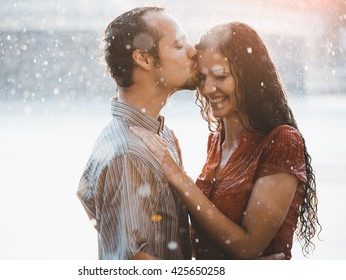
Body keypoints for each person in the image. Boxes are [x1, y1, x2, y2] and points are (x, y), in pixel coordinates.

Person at [130, 22, 321, 260]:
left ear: (249, 76)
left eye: (220, 76)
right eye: (201, 77)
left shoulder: (282, 141)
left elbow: (248, 247)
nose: (208, 88)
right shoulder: (215, 141)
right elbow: (206, 238)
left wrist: (178, 175)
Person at [76, 7, 198, 260]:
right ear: (144, 59)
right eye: (178, 45)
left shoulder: (151, 135)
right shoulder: (129, 153)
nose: (193, 51)